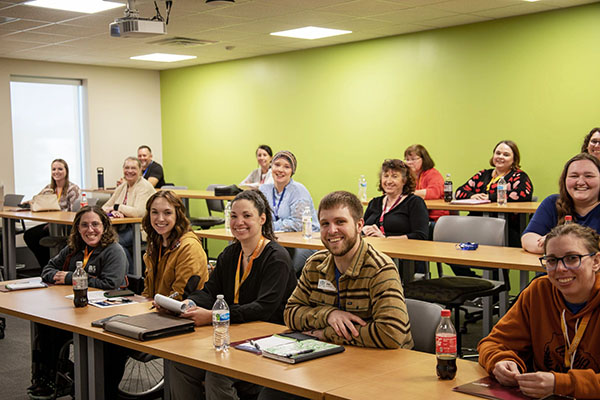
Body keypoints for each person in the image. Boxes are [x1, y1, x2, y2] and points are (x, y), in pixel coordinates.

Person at [165, 190, 297, 400]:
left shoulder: (276, 258)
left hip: (267, 341)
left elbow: (264, 308)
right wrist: (189, 302)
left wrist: (214, 316)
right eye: (234, 216)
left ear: (262, 219)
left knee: (217, 375)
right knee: (180, 364)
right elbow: (210, 291)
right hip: (233, 334)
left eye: (247, 216)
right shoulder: (230, 253)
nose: (239, 222)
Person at [478, 223, 600, 399]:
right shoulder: (539, 292)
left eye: (572, 258)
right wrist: (501, 361)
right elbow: (492, 343)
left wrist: (561, 384)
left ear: (596, 261)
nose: (560, 269)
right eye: (551, 260)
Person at [285, 190, 413, 348]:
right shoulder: (314, 265)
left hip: (383, 364)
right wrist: (329, 315)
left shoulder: (379, 269)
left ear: (359, 225)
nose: (332, 230)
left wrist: (326, 334)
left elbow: (392, 334)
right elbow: (290, 313)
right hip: (332, 360)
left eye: (340, 222)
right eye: (325, 224)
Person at [30, 206, 127, 399]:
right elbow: (48, 269)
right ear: (77, 228)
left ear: (105, 226)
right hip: (75, 309)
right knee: (45, 324)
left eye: (95, 224)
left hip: (105, 314)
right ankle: (50, 378)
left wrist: (69, 278)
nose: (90, 230)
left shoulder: (113, 251)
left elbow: (109, 284)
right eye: (84, 225)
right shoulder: (74, 247)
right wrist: (58, 275)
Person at [522, 153, 600, 254]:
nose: (580, 182)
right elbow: (527, 239)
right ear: (564, 180)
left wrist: (559, 243)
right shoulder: (551, 203)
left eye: (589, 176)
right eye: (574, 176)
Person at [141, 190, 209, 300]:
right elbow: (148, 291)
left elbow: (180, 296)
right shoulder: (156, 244)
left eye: (167, 213)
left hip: (181, 313)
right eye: (155, 212)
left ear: (178, 215)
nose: (160, 218)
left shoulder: (189, 247)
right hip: (158, 309)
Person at [259, 150, 319, 274]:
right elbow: (258, 216)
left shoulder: (298, 191)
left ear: (292, 172)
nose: (280, 170)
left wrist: (268, 226)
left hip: (305, 241)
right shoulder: (264, 189)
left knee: (282, 269)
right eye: (277, 165)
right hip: (277, 239)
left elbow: (298, 224)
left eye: (286, 167)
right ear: (271, 167)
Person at [24, 158, 81, 268]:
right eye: (54, 169)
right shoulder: (49, 188)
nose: (56, 172)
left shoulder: (73, 189)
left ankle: (55, 267)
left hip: (67, 226)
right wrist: (29, 203)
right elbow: (38, 202)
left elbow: (74, 212)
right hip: (51, 224)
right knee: (30, 235)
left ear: (66, 171)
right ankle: (46, 266)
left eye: (60, 169)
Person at [103, 156, 156, 271]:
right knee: (104, 240)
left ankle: (131, 277)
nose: (130, 171)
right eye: (127, 168)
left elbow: (138, 212)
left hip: (141, 229)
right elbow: (104, 207)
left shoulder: (144, 186)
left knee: (114, 243)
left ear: (140, 170)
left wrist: (118, 208)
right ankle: (126, 274)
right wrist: (115, 212)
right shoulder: (123, 186)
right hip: (123, 227)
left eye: (133, 168)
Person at [362, 159, 428, 240]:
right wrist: (362, 230)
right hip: (372, 249)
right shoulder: (374, 202)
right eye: (386, 176)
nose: (389, 181)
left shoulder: (415, 203)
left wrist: (385, 238)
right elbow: (361, 226)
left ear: (404, 180)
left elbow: (420, 236)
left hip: (401, 250)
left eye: (394, 176)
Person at [403, 144, 449, 222]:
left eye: (413, 159)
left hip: (434, 217)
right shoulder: (407, 176)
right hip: (415, 215)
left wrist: (408, 193)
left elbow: (434, 192)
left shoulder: (432, 174)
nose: (409, 163)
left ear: (423, 159)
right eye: (407, 160)